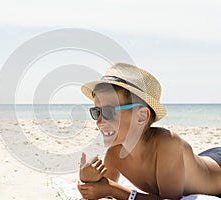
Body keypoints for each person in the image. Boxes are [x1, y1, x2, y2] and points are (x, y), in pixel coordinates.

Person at [77, 63, 221, 200]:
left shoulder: (167, 143)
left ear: (141, 116)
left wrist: (113, 189)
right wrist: (88, 182)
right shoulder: (114, 154)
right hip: (201, 162)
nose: (99, 121)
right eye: (97, 112)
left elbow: (168, 199)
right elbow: (102, 191)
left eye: (108, 112)